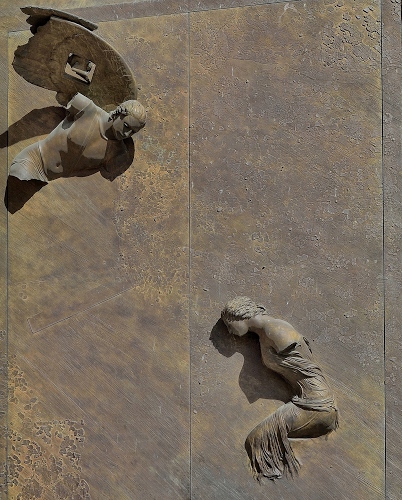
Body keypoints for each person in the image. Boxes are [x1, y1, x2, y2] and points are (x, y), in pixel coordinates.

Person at [221, 296, 338, 480]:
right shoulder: (267, 332)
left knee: (256, 441)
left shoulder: (275, 331)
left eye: (229, 325)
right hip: (309, 402)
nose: (230, 331)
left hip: (315, 405)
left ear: (239, 316)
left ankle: (297, 477)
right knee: (259, 441)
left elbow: (303, 361)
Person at [9, 92, 146, 184]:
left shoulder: (117, 152)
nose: (127, 134)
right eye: (126, 126)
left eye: (132, 132)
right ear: (118, 113)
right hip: (34, 160)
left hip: (51, 183)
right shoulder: (86, 108)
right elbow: (62, 92)